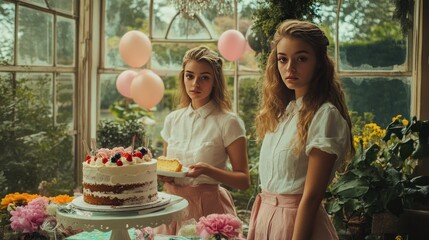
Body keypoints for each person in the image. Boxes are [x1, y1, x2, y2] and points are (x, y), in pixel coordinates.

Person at [247, 19, 355, 240]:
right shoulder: (283, 113)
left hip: (298, 226)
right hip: (265, 220)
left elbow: (312, 197)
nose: (290, 68)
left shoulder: (325, 116)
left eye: (301, 59)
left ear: (318, 63)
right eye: (283, 59)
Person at [157, 46, 250, 235]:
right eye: (190, 76)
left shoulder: (228, 122)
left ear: (215, 81)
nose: (195, 84)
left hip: (209, 212)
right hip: (171, 208)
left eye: (204, 77)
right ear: (183, 78)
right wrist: (162, 176)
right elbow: (166, 166)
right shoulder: (172, 120)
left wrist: (208, 171)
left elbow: (243, 180)